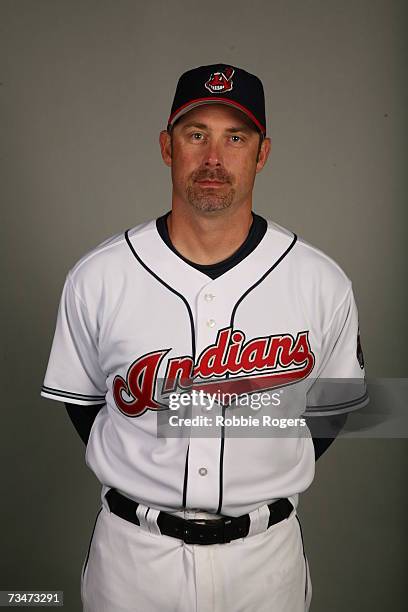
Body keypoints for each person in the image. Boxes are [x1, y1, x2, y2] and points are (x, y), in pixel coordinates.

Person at [41, 64, 368, 612]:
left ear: (261, 153)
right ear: (167, 147)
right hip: (133, 561)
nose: (214, 158)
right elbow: (87, 407)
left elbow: (332, 410)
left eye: (235, 137)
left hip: (265, 563)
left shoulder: (320, 280)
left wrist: (264, 463)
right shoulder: (100, 275)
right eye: (197, 135)